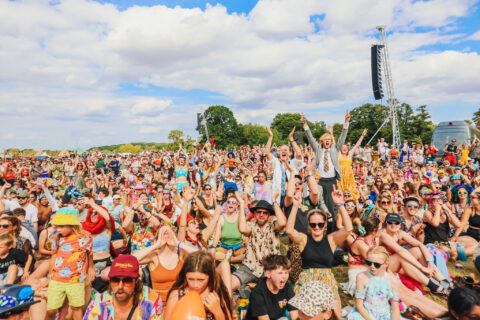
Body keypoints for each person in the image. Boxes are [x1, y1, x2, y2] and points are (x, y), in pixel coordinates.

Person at [286, 186, 353, 319]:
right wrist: (294, 207)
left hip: (326, 279)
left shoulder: (331, 239)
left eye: (320, 224)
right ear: (309, 226)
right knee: (302, 316)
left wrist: (340, 204)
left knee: (335, 316)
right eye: (313, 225)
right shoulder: (304, 239)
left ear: (325, 225)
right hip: (307, 279)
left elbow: (348, 229)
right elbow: (289, 231)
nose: (317, 227)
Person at [46, 207, 94, 320]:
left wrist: (91, 268)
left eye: (61, 226)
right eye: (57, 226)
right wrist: (49, 275)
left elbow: (89, 253)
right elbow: (53, 256)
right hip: (56, 279)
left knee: (76, 308)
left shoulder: (86, 236)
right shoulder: (56, 238)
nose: (58, 229)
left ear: (72, 225)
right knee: (51, 310)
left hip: (76, 280)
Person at [83, 254, 163, 320]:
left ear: (136, 280)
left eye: (127, 280)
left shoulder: (150, 299)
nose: (120, 286)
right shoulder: (100, 302)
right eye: (115, 280)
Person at [232, 198, 286, 291]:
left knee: (272, 290)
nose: (261, 214)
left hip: (271, 268)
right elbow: (242, 228)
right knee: (231, 283)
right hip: (250, 267)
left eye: (265, 212)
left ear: (269, 214)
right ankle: (249, 287)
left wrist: (274, 201)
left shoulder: (273, 225)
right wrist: (241, 204)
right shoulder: (251, 226)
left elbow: (283, 223)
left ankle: (250, 288)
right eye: (259, 212)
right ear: (255, 214)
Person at [303, 110, 350, 215]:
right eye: (325, 139)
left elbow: (342, 137)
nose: (327, 141)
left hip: (331, 181)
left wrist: (346, 123)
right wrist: (305, 125)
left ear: (331, 141)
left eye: (329, 139)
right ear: (322, 141)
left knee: (332, 204)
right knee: (319, 203)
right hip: (319, 181)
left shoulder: (335, 148)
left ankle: (332, 222)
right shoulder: (318, 148)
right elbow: (310, 138)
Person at [164, 251, 232, 320]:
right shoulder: (176, 296)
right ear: (185, 276)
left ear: (210, 276)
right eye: (190, 279)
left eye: (201, 280)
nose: (195, 285)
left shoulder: (215, 293)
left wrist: (218, 311)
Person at [347, 246, 400, 320]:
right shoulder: (362, 277)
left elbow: (395, 308)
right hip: (364, 314)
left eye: (377, 264)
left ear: (386, 264)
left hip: (384, 314)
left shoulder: (393, 281)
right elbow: (359, 305)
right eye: (369, 263)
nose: (372, 266)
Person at [245, 255, 298, 320]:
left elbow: (295, 315)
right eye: (280, 273)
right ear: (268, 274)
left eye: (286, 272)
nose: (284, 276)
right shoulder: (257, 292)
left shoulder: (287, 287)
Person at [337, 129, 367, 201]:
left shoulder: (350, 154)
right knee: (340, 190)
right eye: (342, 147)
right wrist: (331, 133)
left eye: (345, 147)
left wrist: (362, 135)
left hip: (349, 175)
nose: (344, 148)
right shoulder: (339, 154)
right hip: (341, 175)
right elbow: (335, 145)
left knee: (350, 190)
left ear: (348, 149)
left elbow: (357, 145)